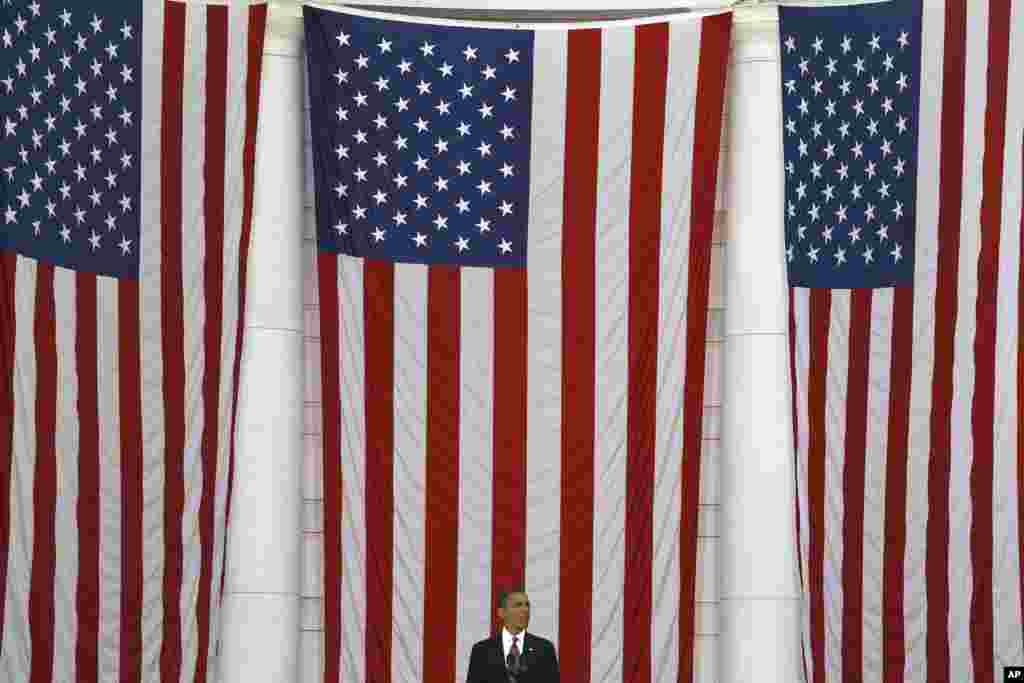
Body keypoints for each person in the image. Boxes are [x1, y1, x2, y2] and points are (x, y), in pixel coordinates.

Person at [465, 589, 559, 683]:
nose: (525, 610)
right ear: (501, 613)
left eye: (527, 605)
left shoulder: (544, 649)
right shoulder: (482, 651)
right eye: (518, 605)